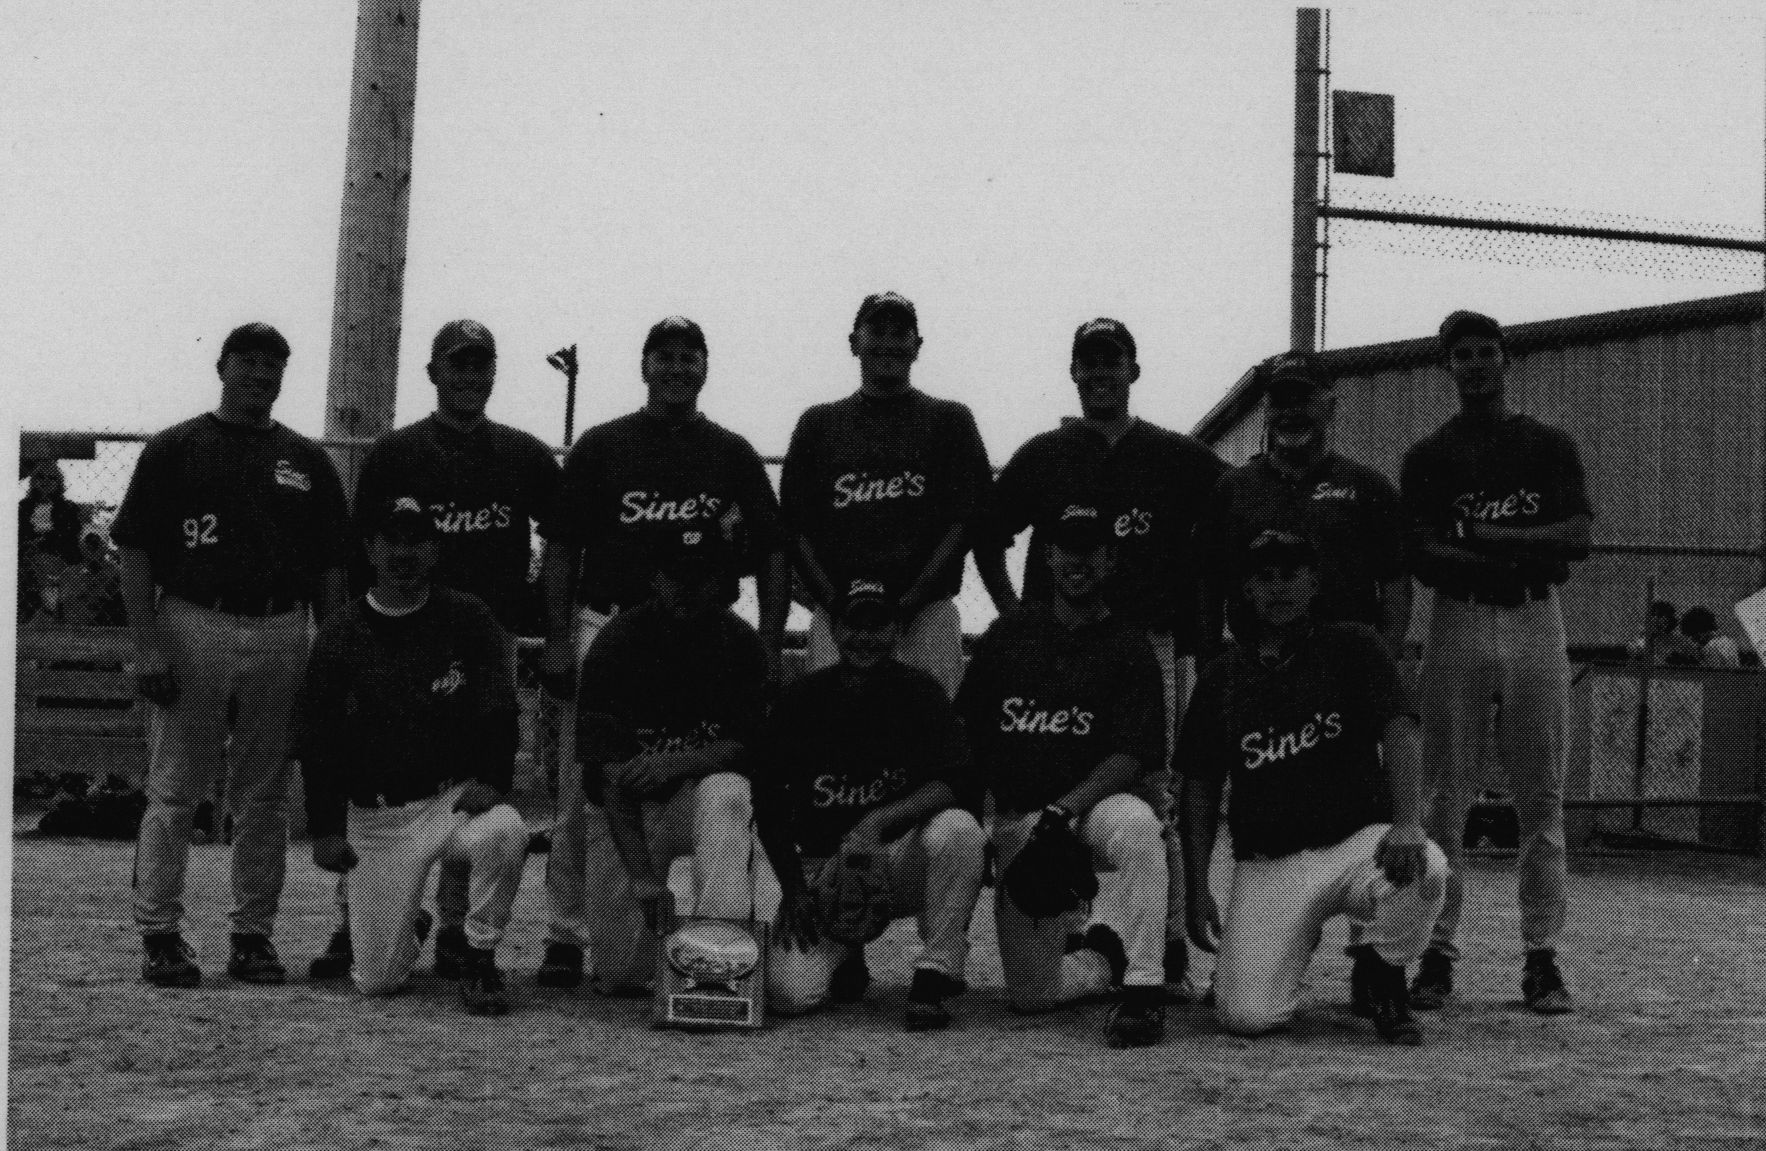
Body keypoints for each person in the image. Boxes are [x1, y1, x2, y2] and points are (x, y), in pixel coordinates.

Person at [533, 316, 789, 989]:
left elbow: (768, 548)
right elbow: (561, 544)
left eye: (689, 357)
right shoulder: (603, 446)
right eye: (665, 356)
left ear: (705, 367)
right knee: (581, 792)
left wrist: (767, 637)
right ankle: (566, 932)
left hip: (706, 635)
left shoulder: (729, 452)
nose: (677, 368)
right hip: (610, 625)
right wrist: (558, 636)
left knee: (722, 786)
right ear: (644, 365)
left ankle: (721, 945)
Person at [977, 317, 1226, 996]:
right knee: (1049, 778)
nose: (1100, 373)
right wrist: (1012, 613)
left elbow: (1236, 502)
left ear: (1133, 370)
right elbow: (989, 533)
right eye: (1087, 362)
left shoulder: (1172, 455)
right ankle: (1075, 927)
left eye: (1111, 360)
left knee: (1153, 797)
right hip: (1053, 645)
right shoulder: (1047, 453)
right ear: (1074, 373)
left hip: (1143, 642)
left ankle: (1166, 951)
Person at [309, 319, 560, 982]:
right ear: (435, 372)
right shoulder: (398, 452)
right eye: (458, 365)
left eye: (481, 365)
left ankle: (455, 927)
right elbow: (367, 545)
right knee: (380, 766)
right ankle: (358, 917)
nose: (470, 377)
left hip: (483, 632)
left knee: (471, 787)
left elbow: (564, 533)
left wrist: (537, 603)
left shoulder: (522, 453)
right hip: (400, 625)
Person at [110, 322, 350, 988]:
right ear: (222, 366)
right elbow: (136, 550)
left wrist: (330, 650)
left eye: (273, 363)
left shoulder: (305, 460)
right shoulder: (177, 447)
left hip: (281, 624)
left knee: (265, 792)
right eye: (247, 361)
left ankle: (252, 934)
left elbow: (331, 566)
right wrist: (147, 644)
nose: (260, 373)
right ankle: (160, 931)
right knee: (176, 786)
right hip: (194, 619)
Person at [1179, 530, 1447, 1045]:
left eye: (1291, 575)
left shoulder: (1354, 646)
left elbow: (1400, 726)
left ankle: (1382, 970)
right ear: (1247, 589)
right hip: (1271, 861)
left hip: (1356, 844)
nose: (1278, 589)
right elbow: (1201, 785)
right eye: (1264, 577)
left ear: (1314, 583)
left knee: (1426, 864)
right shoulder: (1222, 676)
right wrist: (1195, 886)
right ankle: (1255, 966)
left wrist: (1409, 821)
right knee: (1246, 1017)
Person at [1400, 309, 1592, 1015]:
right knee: (1445, 794)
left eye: (1487, 351)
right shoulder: (1430, 456)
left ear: (1506, 360)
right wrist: (1515, 547)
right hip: (1458, 614)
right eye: (1462, 354)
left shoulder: (1545, 444)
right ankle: (1436, 951)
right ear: (1446, 366)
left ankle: (1541, 955)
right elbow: (1422, 552)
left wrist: (1483, 531)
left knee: (1541, 794)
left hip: (1536, 614)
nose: (1476, 365)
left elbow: (1575, 537)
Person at [292, 495, 528, 1014]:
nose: (404, 554)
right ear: (371, 550)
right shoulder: (341, 631)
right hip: (376, 816)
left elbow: (499, 707)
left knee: (505, 831)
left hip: (447, 800)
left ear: (435, 551)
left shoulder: (466, 616)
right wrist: (328, 827)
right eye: (391, 542)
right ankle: (410, 924)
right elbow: (318, 737)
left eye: (417, 542)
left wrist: (493, 778)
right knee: (377, 982)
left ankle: (479, 952)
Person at [956, 501, 1169, 1048]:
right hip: (1022, 820)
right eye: (1067, 549)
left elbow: (1130, 755)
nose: (1079, 562)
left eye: (1092, 551)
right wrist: (977, 828)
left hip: (1090, 810)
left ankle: (1144, 990)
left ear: (1110, 561)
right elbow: (968, 737)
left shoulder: (1128, 644)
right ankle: (1104, 955)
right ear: (1048, 557)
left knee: (1139, 826)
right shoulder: (1008, 635)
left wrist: (1065, 809)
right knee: (1032, 996)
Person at [753, 578, 986, 1030]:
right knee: (787, 993)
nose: (865, 637)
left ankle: (934, 973)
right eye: (853, 625)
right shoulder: (803, 697)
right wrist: (793, 887)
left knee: (958, 831)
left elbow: (956, 783)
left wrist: (879, 820)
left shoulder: (920, 691)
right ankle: (845, 954)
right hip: (823, 869)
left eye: (877, 625)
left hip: (894, 860)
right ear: (834, 631)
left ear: (897, 631)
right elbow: (768, 799)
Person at [580, 525, 777, 995]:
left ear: (721, 582)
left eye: (702, 575)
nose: (687, 587)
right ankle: (641, 944)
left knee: (728, 792)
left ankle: (722, 948)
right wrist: (644, 878)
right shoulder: (617, 642)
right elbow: (610, 777)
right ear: (655, 577)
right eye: (675, 574)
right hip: (632, 808)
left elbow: (751, 746)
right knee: (621, 977)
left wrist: (679, 762)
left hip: (699, 799)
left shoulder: (740, 642)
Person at [782, 291, 994, 698]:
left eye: (901, 333)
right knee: (835, 737)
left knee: (930, 735)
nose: (888, 343)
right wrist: (834, 605)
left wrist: (910, 602)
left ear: (918, 346)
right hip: (840, 615)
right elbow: (796, 529)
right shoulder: (818, 423)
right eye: (876, 331)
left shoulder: (950, 420)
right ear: (853, 342)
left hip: (926, 615)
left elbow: (965, 523)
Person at [1195, 351, 1410, 658]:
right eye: (1281, 402)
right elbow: (1208, 585)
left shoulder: (1368, 486)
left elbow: (1395, 581)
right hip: (1259, 668)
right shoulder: (1231, 489)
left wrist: (1385, 660)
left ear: (1331, 405)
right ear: (1267, 411)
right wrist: (1209, 666)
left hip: (1343, 666)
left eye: (1303, 399)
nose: (1291, 412)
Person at [19, 460, 86, 623]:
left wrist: (42, 541)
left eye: (52, 478)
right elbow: (19, 534)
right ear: (33, 481)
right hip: (29, 555)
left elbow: (70, 536)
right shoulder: (23, 507)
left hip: (58, 555)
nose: (46, 481)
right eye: (41, 477)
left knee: (48, 565)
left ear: (59, 482)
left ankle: (48, 613)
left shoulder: (68, 508)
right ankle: (48, 613)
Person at [1627, 600, 1700, 666]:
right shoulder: (1640, 642)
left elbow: (1696, 656)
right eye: (1653, 615)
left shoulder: (1678, 641)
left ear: (1669, 621)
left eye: (1660, 616)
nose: (1655, 619)